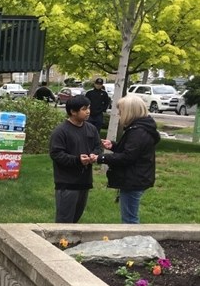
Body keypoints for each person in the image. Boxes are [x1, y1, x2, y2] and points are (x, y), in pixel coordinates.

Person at [96, 95, 160, 224]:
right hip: (137, 177)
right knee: (130, 216)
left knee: (130, 219)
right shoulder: (143, 128)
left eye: (121, 111)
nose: (119, 114)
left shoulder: (137, 132)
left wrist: (100, 158)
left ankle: (133, 242)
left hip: (133, 179)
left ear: (130, 112)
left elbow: (128, 157)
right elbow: (133, 151)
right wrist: (114, 145)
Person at [49, 94, 102, 223]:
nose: (88, 111)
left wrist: (94, 155)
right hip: (67, 184)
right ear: (73, 112)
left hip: (84, 182)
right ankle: (60, 243)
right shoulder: (61, 131)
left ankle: (71, 243)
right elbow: (56, 154)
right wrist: (77, 160)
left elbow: (97, 146)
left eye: (89, 108)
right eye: (84, 109)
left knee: (75, 220)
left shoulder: (91, 129)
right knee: (64, 221)